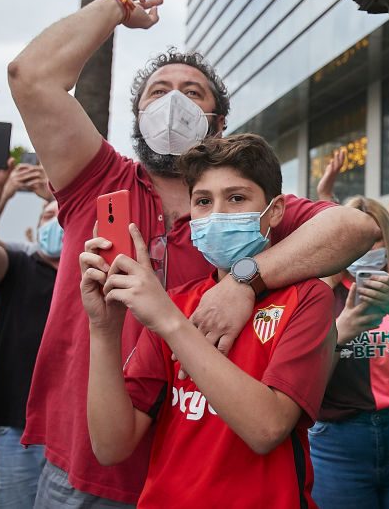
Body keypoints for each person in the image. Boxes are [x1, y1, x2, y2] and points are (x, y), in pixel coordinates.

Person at [8, 0, 379, 507]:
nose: (174, 102)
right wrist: (114, 8)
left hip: (205, 472)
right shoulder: (94, 178)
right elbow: (32, 77)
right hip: (90, 465)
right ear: (137, 117)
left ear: (218, 120)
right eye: (158, 93)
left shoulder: (248, 211)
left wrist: (247, 280)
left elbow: (355, 228)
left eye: (193, 92)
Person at [82, 133, 334, 508]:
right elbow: (111, 446)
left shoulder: (308, 297)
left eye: (236, 198)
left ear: (276, 210)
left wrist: (170, 322)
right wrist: (103, 330)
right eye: (203, 201)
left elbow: (266, 429)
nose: (217, 214)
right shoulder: (175, 303)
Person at [0, 149, 58, 508]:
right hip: (17, 426)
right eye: (47, 216)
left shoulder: (92, 270)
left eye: (60, 214)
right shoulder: (19, 265)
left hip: (75, 431)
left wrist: (58, 194)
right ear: (36, 229)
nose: (54, 221)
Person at [311, 196, 389, 509]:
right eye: (356, 241)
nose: (366, 251)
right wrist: (341, 330)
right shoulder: (317, 292)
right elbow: (303, 380)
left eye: (375, 240)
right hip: (337, 440)